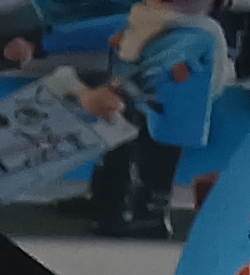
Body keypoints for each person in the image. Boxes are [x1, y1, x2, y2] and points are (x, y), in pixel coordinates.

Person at [65, 2, 234, 238]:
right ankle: (105, 199)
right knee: (117, 147)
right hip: (139, 100)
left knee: (153, 157)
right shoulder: (148, 20)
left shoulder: (196, 34)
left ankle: (149, 215)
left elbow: (158, 66)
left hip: (168, 109)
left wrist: (123, 86)